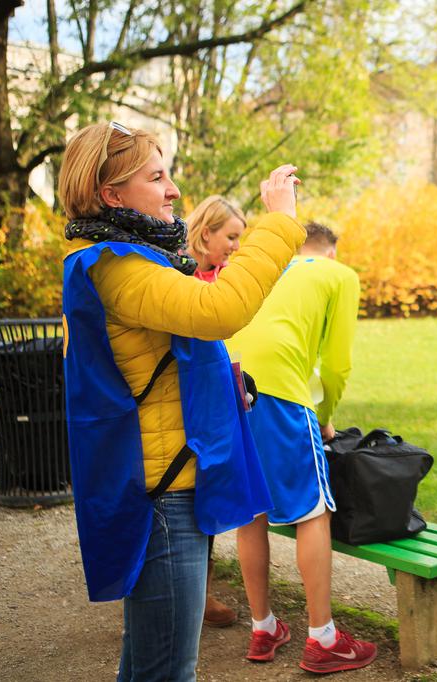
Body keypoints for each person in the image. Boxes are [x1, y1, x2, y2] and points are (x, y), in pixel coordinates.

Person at [59, 120, 305, 681]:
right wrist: (281, 225)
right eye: (157, 176)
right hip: (164, 500)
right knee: (167, 672)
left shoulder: (133, 262)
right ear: (111, 195)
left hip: (163, 486)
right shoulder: (120, 267)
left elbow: (156, 359)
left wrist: (220, 383)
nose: (173, 190)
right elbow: (220, 310)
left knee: (147, 666)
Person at [226, 222, 375, 674]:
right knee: (314, 511)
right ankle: (323, 638)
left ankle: (263, 626)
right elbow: (337, 364)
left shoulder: (264, 266)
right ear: (329, 252)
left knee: (253, 509)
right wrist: (326, 416)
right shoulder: (338, 275)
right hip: (281, 394)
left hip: (231, 386)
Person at [184, 194, 249, 627]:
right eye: (231, 236)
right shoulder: (179, 277)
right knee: (185, 496)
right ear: (205, 233)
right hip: (186, 404)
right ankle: (190, 596)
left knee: (206, 495)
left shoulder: (227, 279)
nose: (236, 246)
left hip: (222, 395)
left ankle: (199, 594)